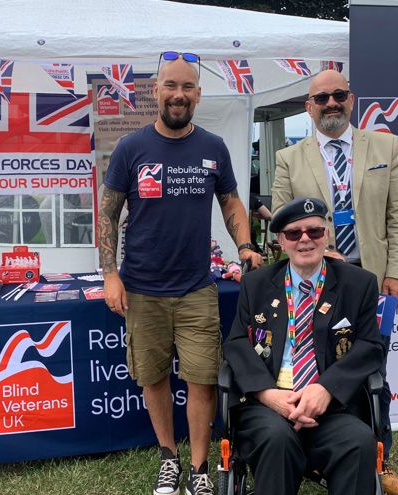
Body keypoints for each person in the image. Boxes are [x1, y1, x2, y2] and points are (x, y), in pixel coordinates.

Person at [98, 51, 263, 495]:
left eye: (187, 87)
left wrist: (245, 246)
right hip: (142, 289)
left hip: (196, 288)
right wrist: (109, 274)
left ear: (198, 94)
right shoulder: (132, 148)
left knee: (202, 379)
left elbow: (230, 201)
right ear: (156, 91)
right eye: (171, 86)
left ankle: (200, 469)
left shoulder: (212, 147)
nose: (179, 95)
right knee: (152, 378)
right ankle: (169, 458)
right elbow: (108, 213)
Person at [270, 69, 398, 495]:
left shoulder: (385, 146)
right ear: (308, 106)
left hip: (372, 280)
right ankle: (317, 441)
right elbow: (283, 220)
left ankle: (379, 458)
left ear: (350, 100)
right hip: (317, 276)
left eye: (338, 95)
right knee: (322, 358)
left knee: (373, 368)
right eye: (321, 98)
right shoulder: (288, 159)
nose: (330, 103)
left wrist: (397, 273)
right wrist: (320, 252)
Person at [224, 197, 384, 495]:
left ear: (327, 236)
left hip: (332, 405)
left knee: (359, 442)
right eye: (294, 234)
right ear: (282, 242)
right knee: (275, 439)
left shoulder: (359, 284)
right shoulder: (256, 284)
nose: (305, 240)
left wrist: (326, 388)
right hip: (269, 404)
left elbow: (370, 345)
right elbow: (235, 343)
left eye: (314, 231)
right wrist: (267, 394)